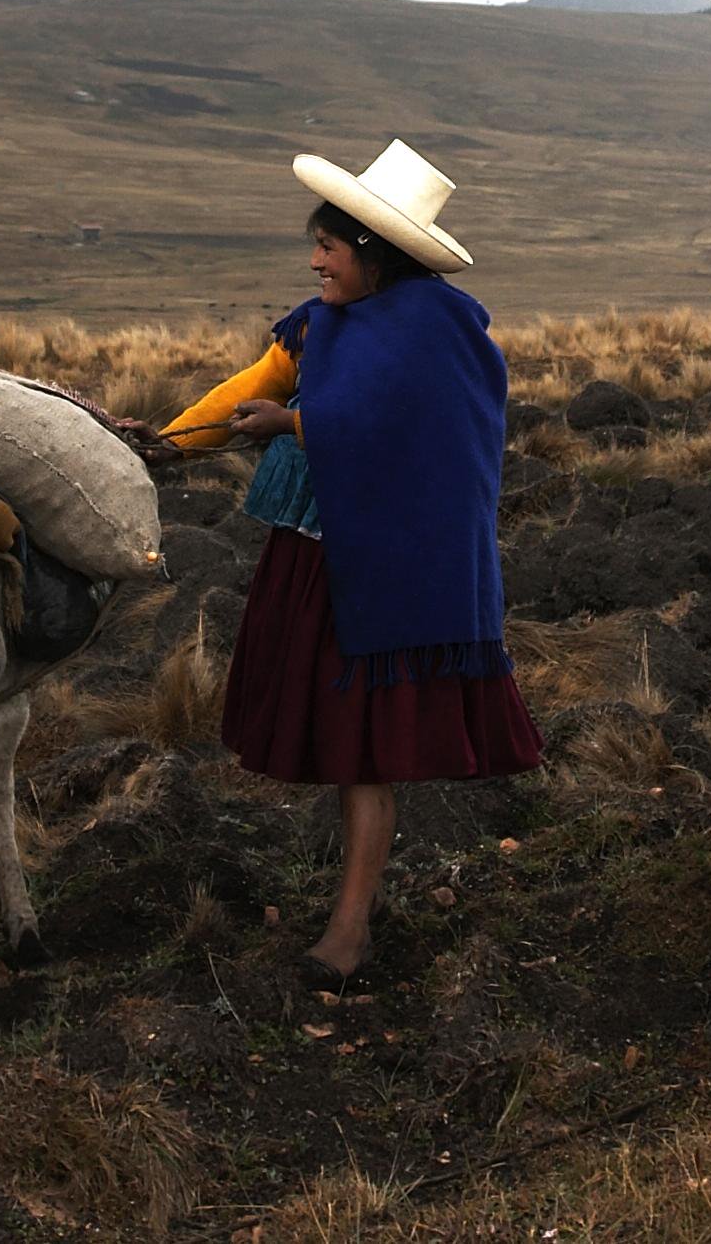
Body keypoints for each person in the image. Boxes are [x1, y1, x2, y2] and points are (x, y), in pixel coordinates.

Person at [159, 141, 545, 988]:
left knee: (367, 753)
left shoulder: (445, 334)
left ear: (371, 252)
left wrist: (293, 427)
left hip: (395, 575)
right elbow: (251, 386)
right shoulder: (320, 321)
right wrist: (166, 444)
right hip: (318, 563)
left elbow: (424, 440)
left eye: (328, 247)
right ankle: (347, 910)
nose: (315, 260)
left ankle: (350, 925)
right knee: (342, 745)